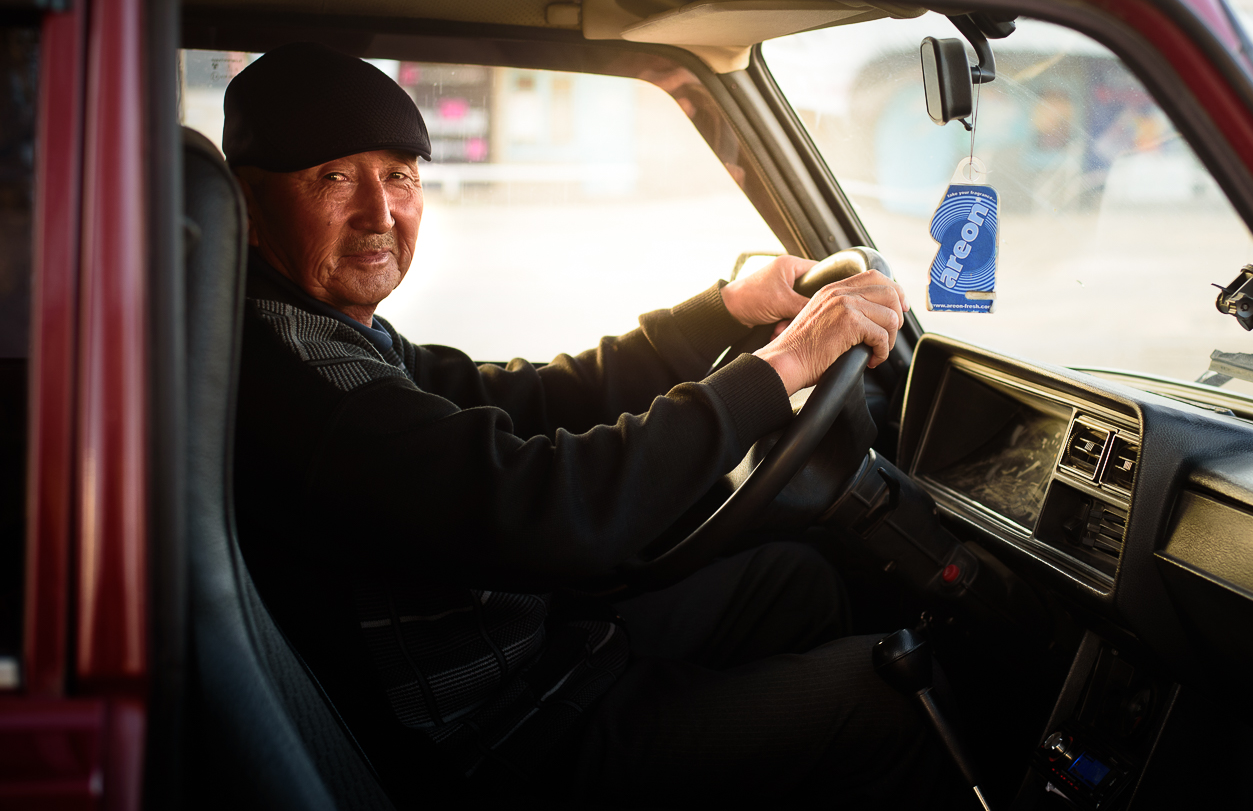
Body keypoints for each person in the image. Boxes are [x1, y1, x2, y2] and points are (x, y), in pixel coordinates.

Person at [225, 43, 956, 809]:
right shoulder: (311, 382)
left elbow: (524, 400)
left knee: (793, 583)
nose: (380, 212)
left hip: (533, 658)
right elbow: (550, 507)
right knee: (896, 699)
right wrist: (786, 363)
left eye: (399, 176)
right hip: (509, 744)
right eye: (333, 177)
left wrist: (726, 311)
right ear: (246, 205)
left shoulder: (314, 331)